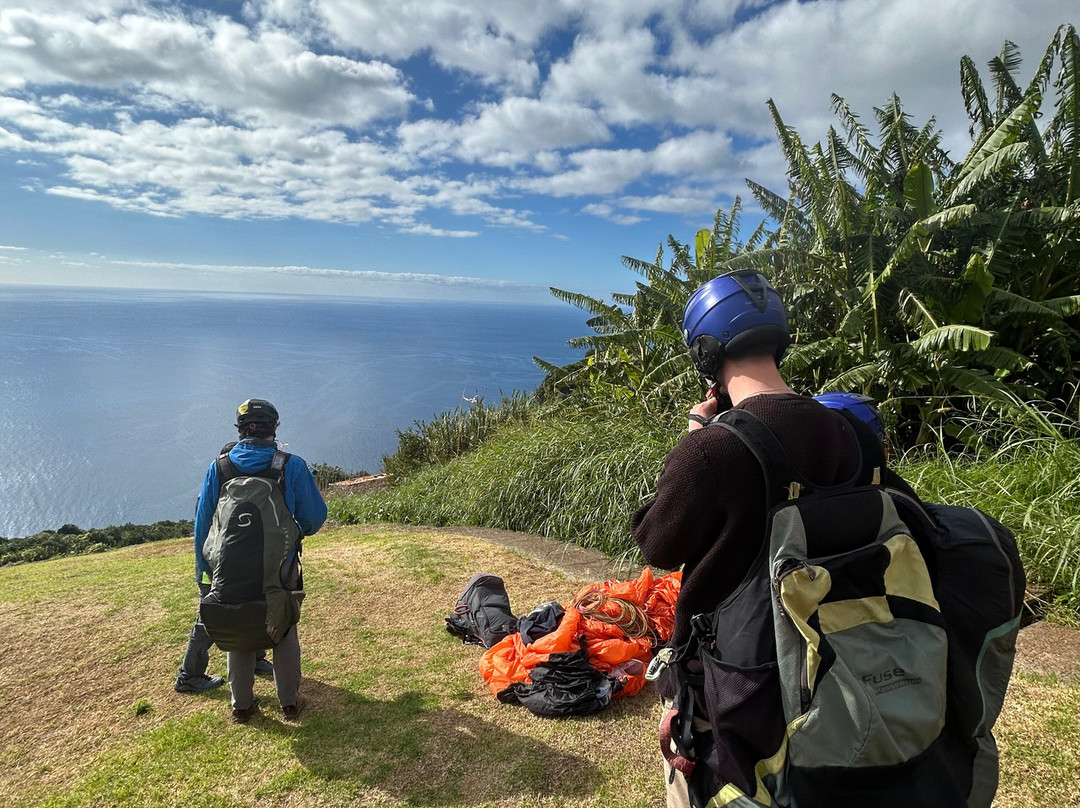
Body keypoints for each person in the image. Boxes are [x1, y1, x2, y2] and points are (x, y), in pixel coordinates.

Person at [630, 271, 919, 806]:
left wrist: (695, 435)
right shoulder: (853, 433)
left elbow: (658, 544)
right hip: (850, 658)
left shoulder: (712, 451)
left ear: (705, 353)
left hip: (743, 688)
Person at [192, 398, 327, 723]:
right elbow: (313, 519)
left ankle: (241, 706)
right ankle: (289, 703)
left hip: (227, 569)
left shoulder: (220, 468)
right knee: (283, 628)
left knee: (237, 622)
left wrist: (204, 571)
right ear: (274, 429)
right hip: (277, 570)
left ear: (239, 430)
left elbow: (203, 523)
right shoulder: (289, 465)